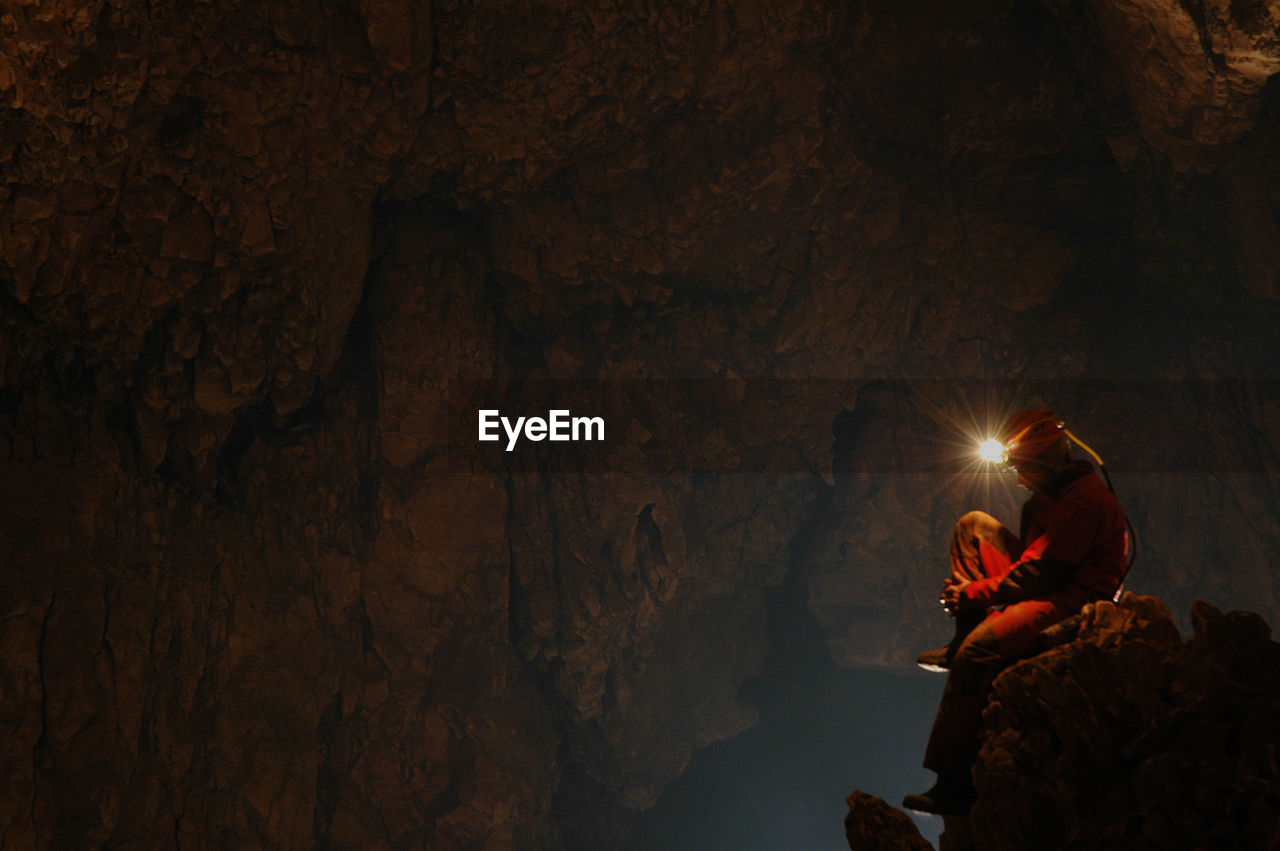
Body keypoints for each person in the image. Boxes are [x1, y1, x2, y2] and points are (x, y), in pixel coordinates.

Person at [902, 409, 1129, 815]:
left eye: (1022, 467)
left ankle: (954, 783)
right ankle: (960, 641)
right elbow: (1032, 561)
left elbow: (1042, 575)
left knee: (979, 652)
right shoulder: (1054, 494)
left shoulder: (1086, 500)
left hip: (1073, 598)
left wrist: (971, 593)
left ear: (1045, 461)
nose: (1018, 477)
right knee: (974, 526)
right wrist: (972, 596)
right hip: (1048, 580)